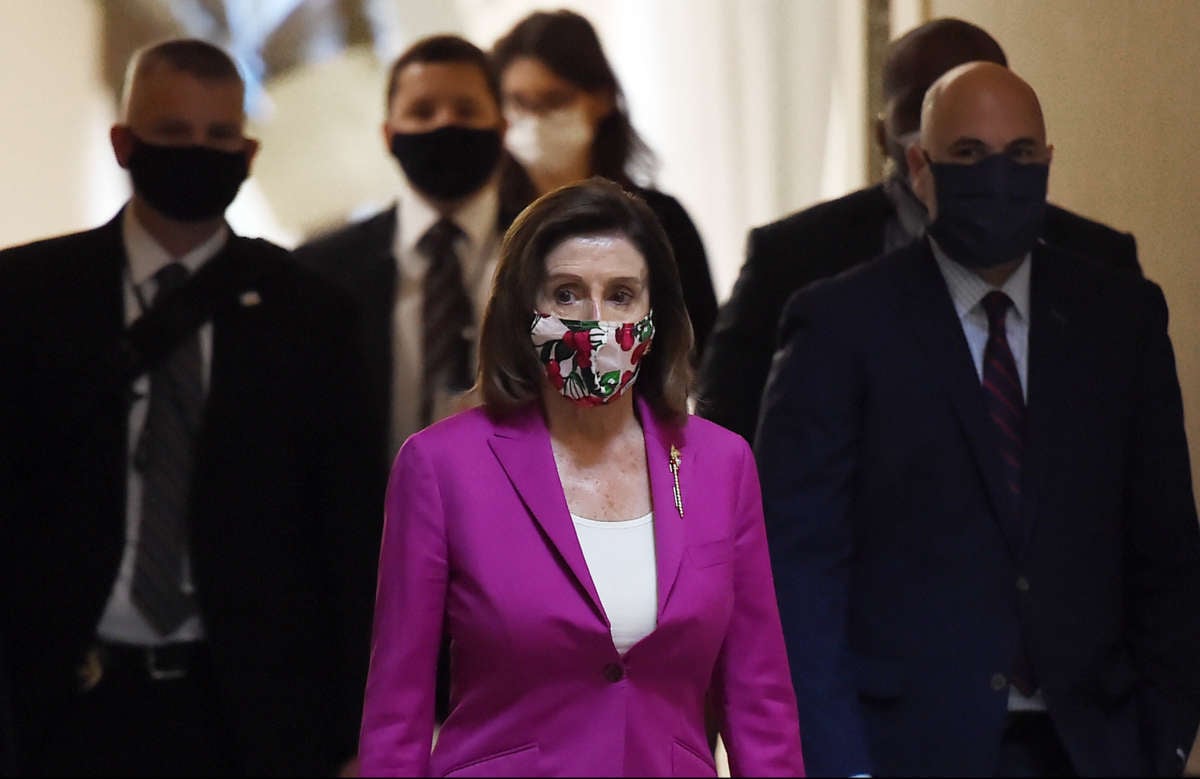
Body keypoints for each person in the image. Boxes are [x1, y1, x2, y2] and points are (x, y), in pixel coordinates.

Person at [756, 61, 1200, 776]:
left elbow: (1167, 546)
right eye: (968, 155)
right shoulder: (840, 324)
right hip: (905, 746)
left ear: (1048, 163)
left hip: (1093, 743)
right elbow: (798, 568)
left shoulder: (1119, 318)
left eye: (1021, 155)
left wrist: (1165, 736)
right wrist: (839, 760)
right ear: (919, 167)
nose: (999, 175)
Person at [0, 38, 378, 775]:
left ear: (248, 151)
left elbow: (350, 528)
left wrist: (358, 731)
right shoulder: (25, 296)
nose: (197, 154)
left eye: (218, 137)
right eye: (173, 134)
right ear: (124, 142)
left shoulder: (311, 312)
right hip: (65, 699)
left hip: (253, 709)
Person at [357, 178, 805, 777]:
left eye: (621, 295)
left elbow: (759, 701)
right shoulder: (441, 467)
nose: (596, 322)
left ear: (656, 316)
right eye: (567, 294)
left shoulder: (720, 466)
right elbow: (398, 709)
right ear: (524, 311)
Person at [697, 17, 1142, 446]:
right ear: (881, 134)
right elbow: (722, 429)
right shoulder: (793, 259)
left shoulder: (1100, 261)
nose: (956, 118)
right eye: (923, 103)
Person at [295, 34, 530, 468]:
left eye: (466, 110)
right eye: (422, 112)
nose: (445, 124)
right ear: (389, 135)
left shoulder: (553, 258)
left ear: (501, 128)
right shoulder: (320, 272)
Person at [491, 9, 719, 363]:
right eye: (518, 103)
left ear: (601, 99)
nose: (534, 120)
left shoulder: (660, 222)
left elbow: (702, 354)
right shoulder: (491, 225)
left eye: (554, 100)